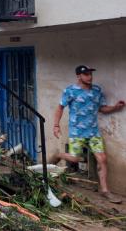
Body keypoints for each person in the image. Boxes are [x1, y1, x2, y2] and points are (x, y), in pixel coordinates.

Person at [49, 65, 125, 203]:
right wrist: (56, 125)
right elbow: (60, 107)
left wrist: (115, 107)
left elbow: (102, 108)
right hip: (77, 132)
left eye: (90, 74)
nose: (89, 77)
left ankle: (105, 190)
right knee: (75, 159)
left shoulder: (97, 91)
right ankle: (58, 155)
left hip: (93, 132)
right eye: (86, 74)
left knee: (102, 159)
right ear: (79, 76)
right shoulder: (70, 91)